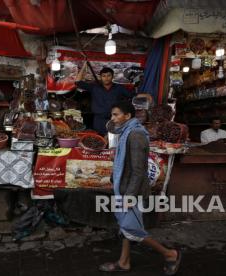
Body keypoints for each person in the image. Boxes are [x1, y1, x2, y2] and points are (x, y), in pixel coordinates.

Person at [99, 101, 181, 275]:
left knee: (132, 229)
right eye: (112, 114)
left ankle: (170, 254)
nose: (112, 118)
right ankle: (124, 262)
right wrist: (114, 117)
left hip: (132, 191)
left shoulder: (135, 135)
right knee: (126, 227)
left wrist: (129, 196)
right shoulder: (125, 129)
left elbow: (138, 171)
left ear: (128, 116)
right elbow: (110, 127)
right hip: (124, 188)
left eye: (116, 114)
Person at [75, 63, 132, 135]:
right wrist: (84, 65)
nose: (106, 78)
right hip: (99, 120)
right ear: (100, 77)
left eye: (108, 75)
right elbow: (77, 82)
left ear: (112, 76)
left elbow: (132, 96)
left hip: (115, 120)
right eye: (104, 76)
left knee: (113, 140)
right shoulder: (94, 87)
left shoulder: (119, 88)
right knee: (98, 141)